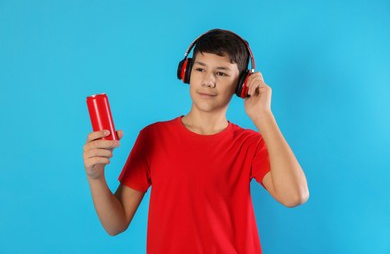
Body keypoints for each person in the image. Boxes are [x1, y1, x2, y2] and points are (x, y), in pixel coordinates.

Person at [82, 29, 309, 254]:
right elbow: (115, 224)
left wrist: (263, 116)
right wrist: (96, 177)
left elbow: (295, 195)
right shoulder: (154, 137)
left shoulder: (249, 144)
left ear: (242, 84)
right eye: (200, 69)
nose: (208, 81)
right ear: (187, 72)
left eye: (221, 73)